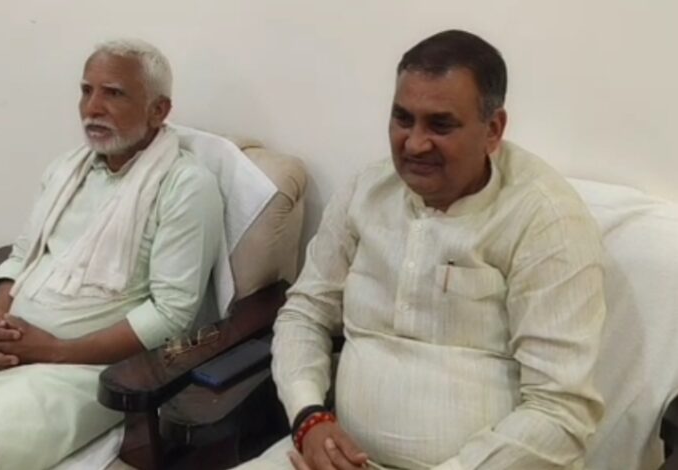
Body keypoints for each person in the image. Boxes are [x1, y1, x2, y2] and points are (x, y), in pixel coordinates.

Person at [239, 30, 605, 470]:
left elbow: (560, 412)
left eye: (440, 124)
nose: (414, 143)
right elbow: (305, 313)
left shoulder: (546, 218)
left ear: (493, 130)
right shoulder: (366, 190)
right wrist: (308, 418)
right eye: (403, 119)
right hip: (334, 457)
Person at [0, 39, 224, 470]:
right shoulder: (67, 169)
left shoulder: (186, 187)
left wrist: (53, 351)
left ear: (158, 110)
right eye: (86, 90)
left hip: (81, 373)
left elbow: (171, 314)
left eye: (114, 93)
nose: (93, 107)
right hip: (1, 353)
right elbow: (22, 255)